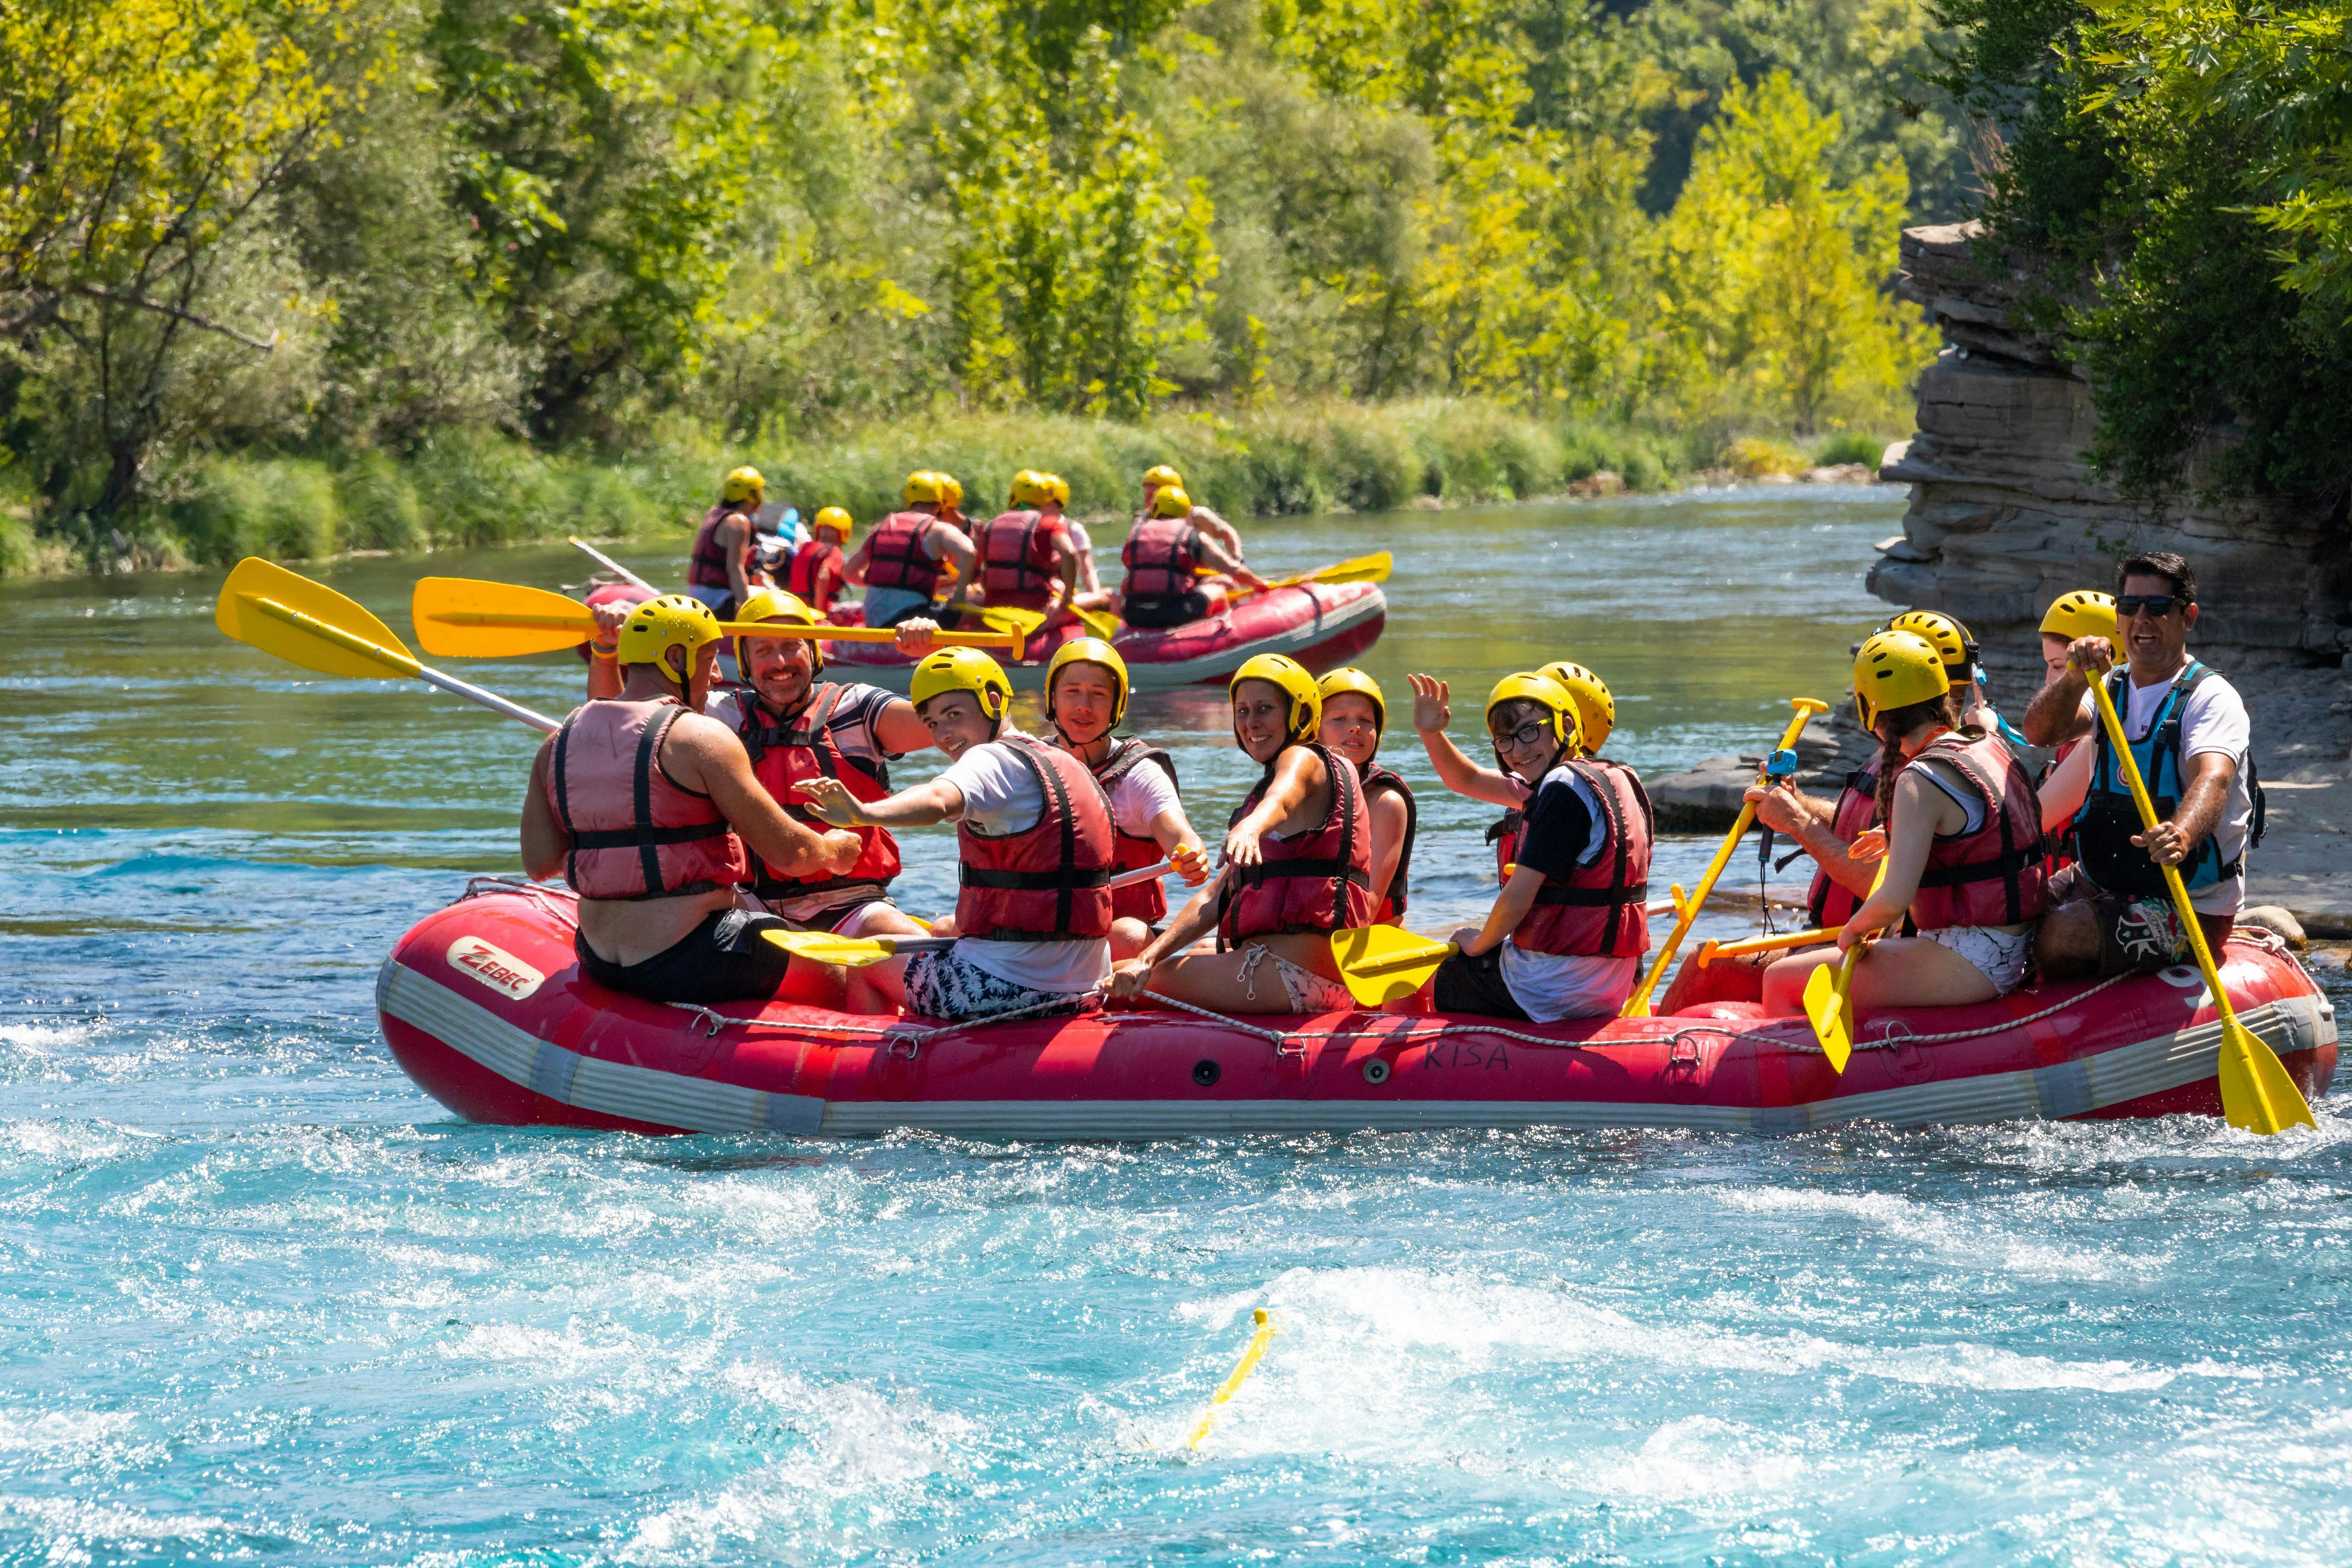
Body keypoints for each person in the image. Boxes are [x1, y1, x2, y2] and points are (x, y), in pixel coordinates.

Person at [518, 595, 863, 1004]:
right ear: (676, 658)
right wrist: (834, 850)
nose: (717, 675)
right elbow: (789, 854)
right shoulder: (700, 737)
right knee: (848, 974)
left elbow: (539, 863)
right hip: (693, 956)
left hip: (598, 957)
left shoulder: (557, 742)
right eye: (710, 658)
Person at [795, 648, 1118, 1022]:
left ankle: (870, 1067)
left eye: (954, 715)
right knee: (944, 929)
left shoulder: (990, 760)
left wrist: (862, 813)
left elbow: (938, 800)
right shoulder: (1063, 760)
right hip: (1088, 987)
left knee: (868, 957)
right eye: (931, 723)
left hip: (1007, 989)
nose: (943, 735)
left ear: (993, 702)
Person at [1762, 630, 2050, 1015]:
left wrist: (1851, 933)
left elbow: (1893, 903)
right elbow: (1980, 833)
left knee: (1779, 979)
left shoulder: (1920, 777)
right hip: (2015, 943)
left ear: (1870, 711)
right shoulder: (1983, 741)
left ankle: (1803, 1070)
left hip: (1972, 961)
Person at [2021, 552, 2259, 979]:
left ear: (2187, 616)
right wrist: (2074, 677)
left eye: (2158, 607)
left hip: (2189, 903)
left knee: (2058, 937)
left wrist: (2182, 833)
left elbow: (2214, 778)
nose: (2141, 620)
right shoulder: (2108, 684)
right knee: (2014, 908)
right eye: (2130, 607)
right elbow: (2040, 732)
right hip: (2106, 879)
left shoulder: (2211, 698)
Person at [1107, 654, 1374, 1014]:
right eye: (1243, 711)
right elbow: (1213, 900)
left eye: (1265, 709)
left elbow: (1284, 796)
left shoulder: (1305, 760)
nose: (1252, 723)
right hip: (1284, 972)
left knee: (1099, 986)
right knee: (1129, 969)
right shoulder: (1269, 799)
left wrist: (1251, 826)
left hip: (1288, 974)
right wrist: (1149, 958)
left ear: (1301, 715)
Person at [1424, 673, 1655, 1020]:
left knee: (1434, 968)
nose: (1519, 750)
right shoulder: (1622, 777)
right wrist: (1431, 732)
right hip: (1613, 985)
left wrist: (1478, 942)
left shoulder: (1562, 787)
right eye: (1506, 740)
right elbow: (1466, 778)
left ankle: (1388, 1062)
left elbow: (1518, 898)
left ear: (1565, 725)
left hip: (1553, 988)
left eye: (1530, 731)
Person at [1042, 638, 1209, 958]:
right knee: (947, 929)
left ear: (1117, 705)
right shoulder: (1029, 762)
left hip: (1114, 941)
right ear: (1052, 698)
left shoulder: (1140, 774)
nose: (1084, 706)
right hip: (1039, 935)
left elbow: (1179, 834)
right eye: (1072, 691)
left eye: (1099, 694)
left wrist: (1192, 855)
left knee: (1128, 935)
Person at [1316, 668, 1415, 926]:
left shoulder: (1386, 803)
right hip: (1314, 935)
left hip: (1372, 938)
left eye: (1366, 720)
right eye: (1339, 719)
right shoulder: (1302, 794)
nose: (1354, 728)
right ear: (1314, 729)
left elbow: (1367, 909)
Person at [2031, 590, 2118, 846]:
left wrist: (1987, 738)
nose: (2048, 679)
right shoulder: (2081, 736)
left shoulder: (2096, 742)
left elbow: (2031, 821)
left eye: (2058, 666)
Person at [1117, 485, 1265, 629]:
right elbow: (1233, 570)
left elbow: (1128, 562)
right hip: (1173, 614)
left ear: (1155, 509)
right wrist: (1260, 584)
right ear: (1186, 512)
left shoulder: (1136, 533)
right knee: (1219, 590)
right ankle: (1227, 631)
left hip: (1134, 614)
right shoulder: (1191, 536)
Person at [844, 472, 977, 628]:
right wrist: (959, 597)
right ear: (940, 504)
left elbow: (848, 573)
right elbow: (968, 552)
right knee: (971, 612)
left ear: (908, 500)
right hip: (910, 621)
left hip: (874, 619)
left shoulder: (882, 527)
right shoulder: (937, 530)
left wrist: (885, 582)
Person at [957, 470, 1082, 621]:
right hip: (1036, 609)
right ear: (1043, 499)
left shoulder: (990, 526)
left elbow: (975, 567)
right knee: (1104, 600)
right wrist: (1068, 597)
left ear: (1014, 496)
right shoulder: (1049, 523)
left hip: (994, 608)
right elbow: (1070, 553)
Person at [685, 466, 768, 620]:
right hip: (716, 601)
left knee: (760, 592)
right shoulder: (738, 522)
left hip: (695, 594)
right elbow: (735, 569)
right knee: (768, 599)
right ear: (753, 494)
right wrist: (747, 611)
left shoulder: (715, 513)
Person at [1139, 464, 1244, 562]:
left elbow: (1228, 533)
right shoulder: (1143, 519)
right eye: (1146, 494)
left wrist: (1237, 559)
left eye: (1152, 495)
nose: (1148, 500)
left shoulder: (1197, 516)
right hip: (1168, 574)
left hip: (1199, 573)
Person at [787, 507, 854, 616]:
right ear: (845, 532)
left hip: (799, 612)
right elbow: (823, 576)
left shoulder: (804, 549)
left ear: (817, 529)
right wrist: (820, 613)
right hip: (822, 613)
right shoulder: (835, 552)